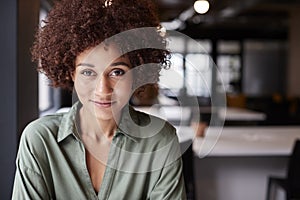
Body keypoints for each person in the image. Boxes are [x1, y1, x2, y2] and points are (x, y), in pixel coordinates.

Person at [12, 0, 186, 199]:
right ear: (71, 73)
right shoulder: (41, 139)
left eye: (117, 72)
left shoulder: (160, 140)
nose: (103, 89)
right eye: (88, 72)